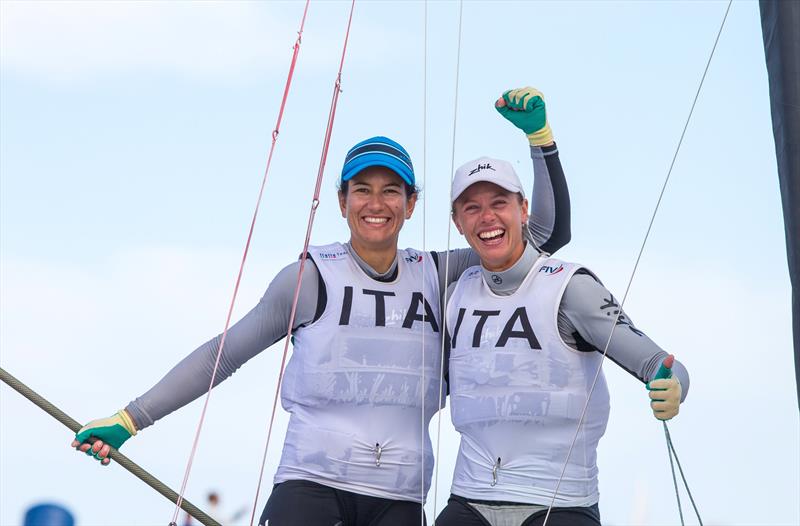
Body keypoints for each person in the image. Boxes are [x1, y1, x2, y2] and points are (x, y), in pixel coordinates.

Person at [71, 87, 572, 526]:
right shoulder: (310, 278)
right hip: (309, 486)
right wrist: (129, 419)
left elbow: (544, 236)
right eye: (363, 190)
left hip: (399, 500)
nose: (376, 203)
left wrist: (540, 139)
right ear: (342, 200)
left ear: (411, 203)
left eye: (391, 191)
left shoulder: (439, 274)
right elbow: (222, 355)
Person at [436, 146, 689, 526]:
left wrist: (673, 386)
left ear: (523, 210)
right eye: (471, 207)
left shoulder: (569, 287)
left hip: (558, 505)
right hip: (468, 502)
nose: (487, 217)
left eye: (499, 202)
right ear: (457, 221)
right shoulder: (455, 287)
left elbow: (659, 363)